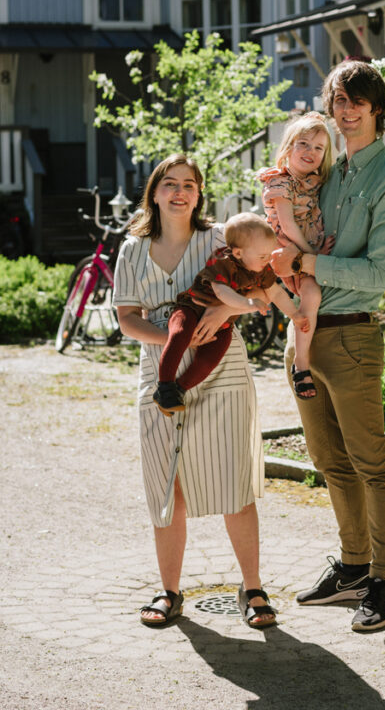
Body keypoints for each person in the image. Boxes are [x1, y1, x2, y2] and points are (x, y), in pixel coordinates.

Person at [270, 59, 385, 633]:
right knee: (329, 462)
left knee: (372, 464)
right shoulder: (329, 172)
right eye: (339, 101)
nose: (347, 110)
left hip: (352, 335)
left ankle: (384, 582)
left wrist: (305, 262)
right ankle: (353, 568)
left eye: (358, 100)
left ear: (376, 109)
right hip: (302, 336)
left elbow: (379, 275)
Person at [113, 154, 277, 630]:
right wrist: (174, 338)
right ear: (156, 192)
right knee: (168, 484)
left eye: (189, 184)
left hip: (222, 371)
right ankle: (169, 591)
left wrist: (221, 316)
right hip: (159, 374)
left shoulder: (221, 237)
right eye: (170, 184)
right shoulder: (131, 249)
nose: (180, 191)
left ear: (199, 193)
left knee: (233, 480)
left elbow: (262, 291)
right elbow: (127, 319)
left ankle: (253, 589)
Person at [153, 211, 309, 414]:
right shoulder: (223, 259)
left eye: (269, 255)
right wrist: (249, 303)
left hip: (223, 323)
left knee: (210, 358)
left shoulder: (261, 267)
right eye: (262, 256)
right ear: (238, 253)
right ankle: (164, 385)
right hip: (192, 306)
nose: (267, 261)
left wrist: (295, 315)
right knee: (179, 334)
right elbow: (222, 291)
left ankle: (179, 389)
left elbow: (277, 293)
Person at [258, 111, 334, 401]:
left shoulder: (314, 182)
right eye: (303, 144)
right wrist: (313, 256)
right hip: (287, 252)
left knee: (311, 297)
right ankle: (300, 362)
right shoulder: (280, 182)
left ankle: (301, 364)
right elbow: (288, 226)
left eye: (318, 148)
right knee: (270, 295)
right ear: (288, 146)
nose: (310, 152)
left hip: (306, 256)